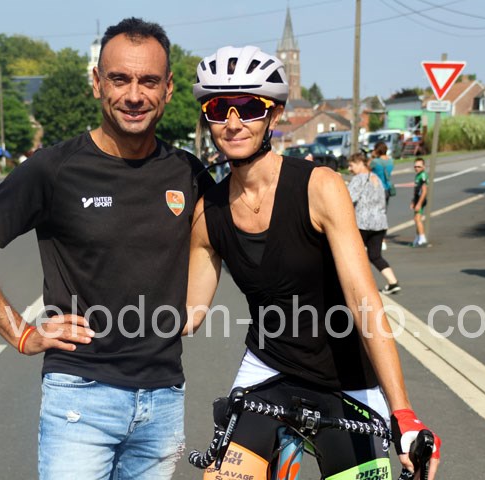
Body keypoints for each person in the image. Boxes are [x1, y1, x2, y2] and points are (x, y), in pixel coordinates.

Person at [0, 17, 212, 480]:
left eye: (148, 81)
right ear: (96, 83)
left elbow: (222, 238)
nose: (134, 95)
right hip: (81, 397)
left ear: (168, 89)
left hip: (163, 399)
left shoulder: (187, 172)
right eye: (119, 79)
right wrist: (21, 334)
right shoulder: (53, 169)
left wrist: (200, 304)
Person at [186, 46, 440, 480]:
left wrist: (403, 412)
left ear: (274, 115)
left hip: (347, 380)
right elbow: (187, 314)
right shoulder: (208, 212)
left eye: (249, 107)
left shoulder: (320, 187)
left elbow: (363, 299)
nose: (233, 122)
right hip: (268, 370)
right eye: (218, 108)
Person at [347, 151, 401, 294]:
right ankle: (393, 282)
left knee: (355, 255)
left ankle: (359, 286)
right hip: (380, 223)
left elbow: (347, 198)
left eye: (351, 165)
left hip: (363, 223)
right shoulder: (376, 177)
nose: (349, 169)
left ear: (360, 163)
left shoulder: (358, 179)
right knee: (375, 255)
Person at [411, 158, 429, 247]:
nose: (417, 168)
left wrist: (419, 203)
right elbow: (416, 190)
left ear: (423, 167)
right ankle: (417, 238)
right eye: (415, 166)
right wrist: (413, 201)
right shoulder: (417, 176)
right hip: (417, 199)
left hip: (421, 200)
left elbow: (424, 191)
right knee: (416, 218)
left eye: (419, 166)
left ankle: (422, 238)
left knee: (418, 219)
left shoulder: (423, 176)